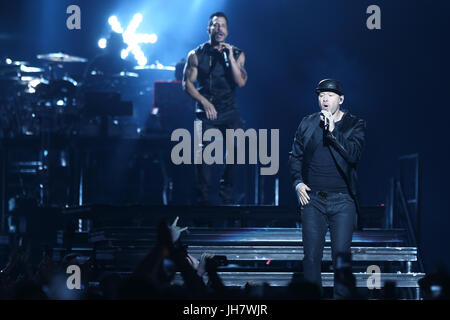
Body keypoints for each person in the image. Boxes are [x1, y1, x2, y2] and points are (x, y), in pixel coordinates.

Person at [288, 79, 366, 299]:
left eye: (330, 95)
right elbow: (295, 156)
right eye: (321, 94)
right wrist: (297, 182)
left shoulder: (355, 124)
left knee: (341, 258)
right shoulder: (307, 123)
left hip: (343, 201)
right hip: (313, 200)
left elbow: (353, 155)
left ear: (340, 99)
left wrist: (333, 131)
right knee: (311, 257)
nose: (324, 98)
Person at [182, 12, 248, 205]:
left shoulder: (237, 54)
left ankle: (226, 196)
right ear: (208, 29)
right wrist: (204, 102)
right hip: (206, 112)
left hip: (229, 111)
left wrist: (230, 58)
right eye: (215, 25)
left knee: (236, 151)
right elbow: (187, 84)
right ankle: (203, 202)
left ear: (227, 31)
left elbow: (241, 81)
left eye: (223, 26)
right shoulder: (196, 55)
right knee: (204, 156)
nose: (219, 28)